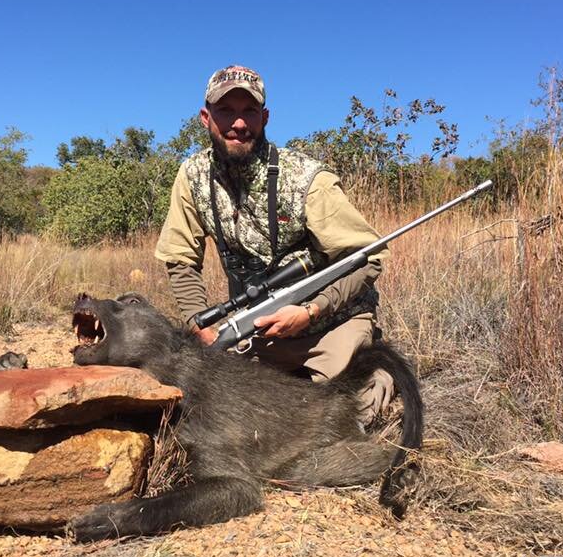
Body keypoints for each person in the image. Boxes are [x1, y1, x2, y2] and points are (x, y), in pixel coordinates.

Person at [154, 65, 393, 424]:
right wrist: (198, 324)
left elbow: (368, 258)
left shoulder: (308, 178)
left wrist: (312, 311)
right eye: (226, 111)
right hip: (257, 327)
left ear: (264, 117)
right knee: (204, 405)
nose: (238, 123)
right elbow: (180, 258)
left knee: (348, 415)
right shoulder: (192, 176)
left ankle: (377, 365)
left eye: (249, 111)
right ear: (205, 117)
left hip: (330, 321)